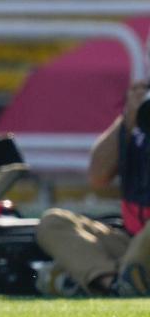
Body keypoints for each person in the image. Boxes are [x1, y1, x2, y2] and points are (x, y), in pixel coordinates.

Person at [34, 78, 150, 297]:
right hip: (131, 240)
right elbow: (98, 176)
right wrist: (127, 119)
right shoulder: (140, 116)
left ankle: (89, 279)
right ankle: (113, 283)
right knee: (53, 222)